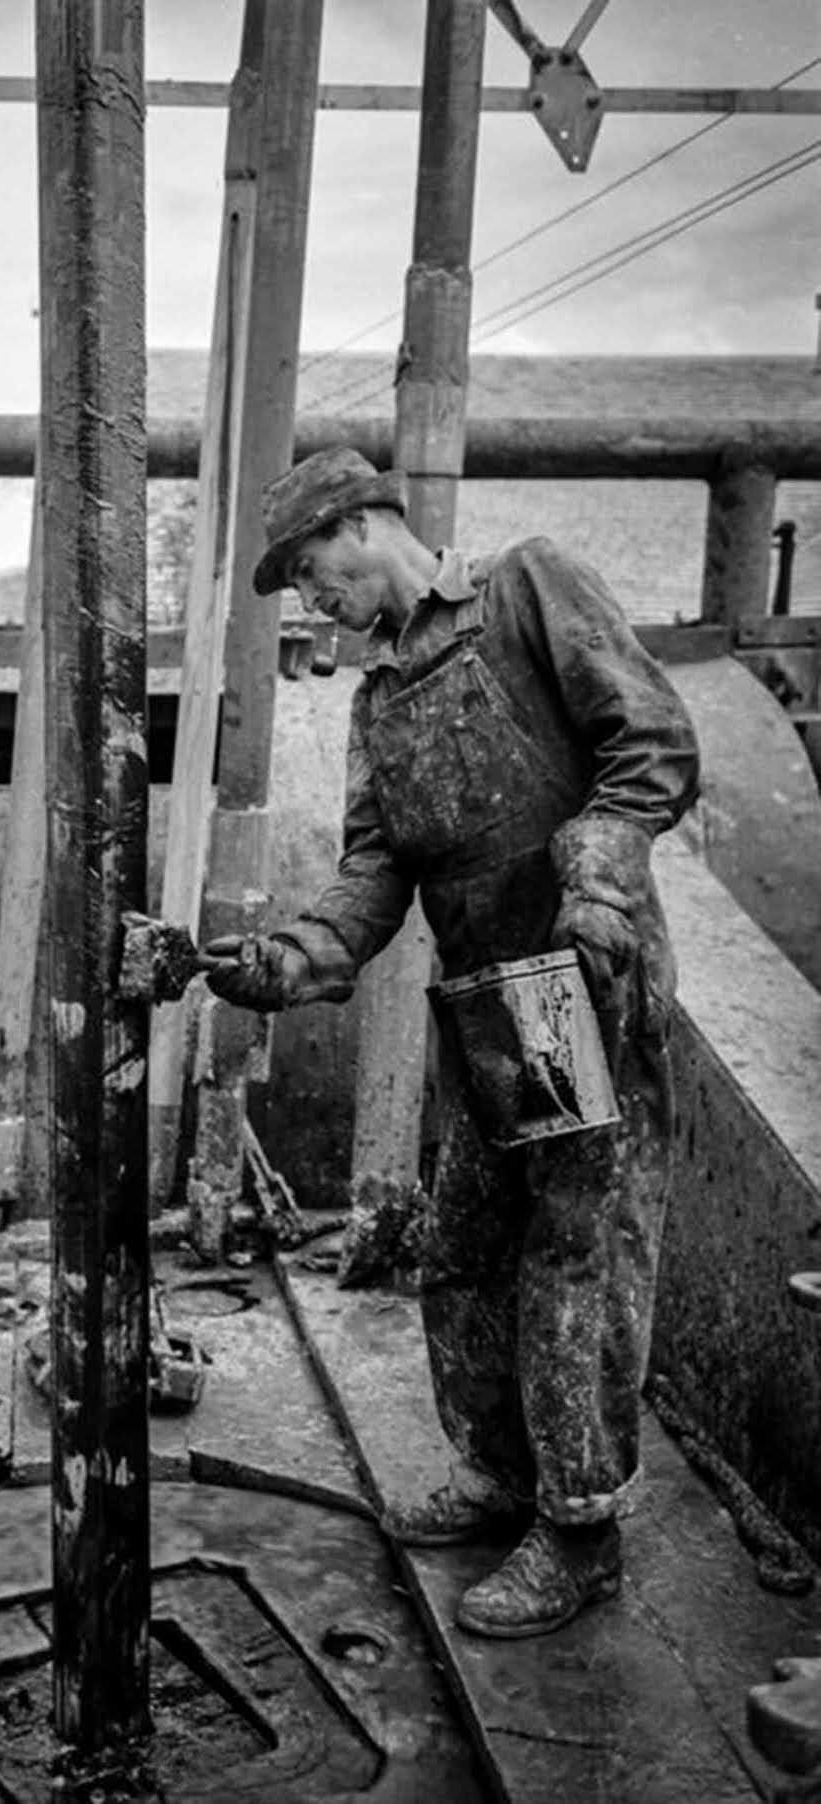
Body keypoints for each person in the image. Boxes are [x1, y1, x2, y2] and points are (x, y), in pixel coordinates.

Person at [204, 446, 701, 1639]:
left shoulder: (528, 589)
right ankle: (496, 1475)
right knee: (467, 1247)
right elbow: (374, 876)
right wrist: (291, 961)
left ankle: (581, 1533)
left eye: (312, 571)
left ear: (365, 523)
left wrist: (596, 872)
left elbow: (654, 747)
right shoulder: (379, 707)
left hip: (576, 989)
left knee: (576, 1264)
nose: (312, 599)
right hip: (490, 1011)